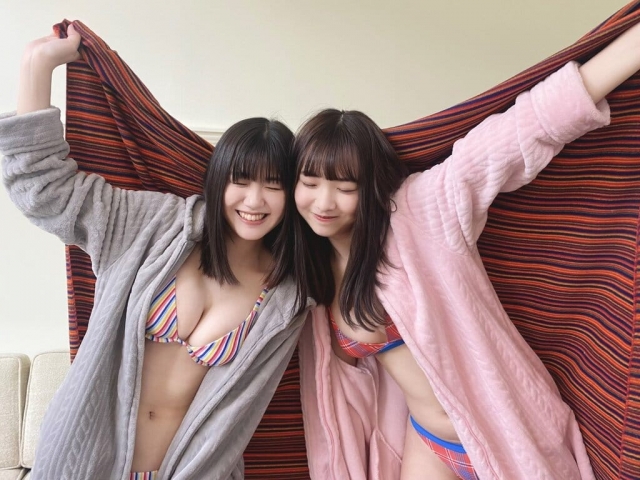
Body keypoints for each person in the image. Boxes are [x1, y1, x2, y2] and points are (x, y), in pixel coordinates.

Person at [292, 21, 640, 480]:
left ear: (371, 186)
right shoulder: (310, 266)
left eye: (344, 187)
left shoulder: (419, 213)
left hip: (503, 435)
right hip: (426, 441)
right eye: (310, 183)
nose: (323, 202)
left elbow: (521, 131)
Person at [1, 25, 308, 479]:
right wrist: (37, 65)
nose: (254, 200)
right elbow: (46, 193)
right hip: (85, 464)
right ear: (217, 180)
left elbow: (237, 415)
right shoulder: (154, 224)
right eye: (240, 180)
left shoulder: (286, 297)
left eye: (274, 185)